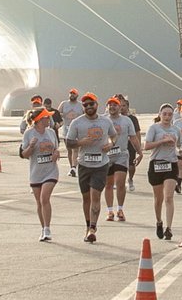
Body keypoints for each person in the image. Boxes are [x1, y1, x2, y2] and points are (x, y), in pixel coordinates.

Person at [63, 93, 116, 242]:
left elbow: (114, 135)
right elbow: (69, 143)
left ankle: (93, 228)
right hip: (84, 165)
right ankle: (88, 226)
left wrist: (111, 144)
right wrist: (81, 142)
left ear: (96, 105)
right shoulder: (77, 123)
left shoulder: (105, 121)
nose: (88, 107)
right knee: (86, 198)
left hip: (101, 164)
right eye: (85, 105)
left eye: (90, 104)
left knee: (95, 195)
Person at [20, 106, 59, 241]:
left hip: (51, 171)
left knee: (44, 198)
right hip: (36, 172)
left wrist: (56, 153)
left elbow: (56, 149)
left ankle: (47, 229)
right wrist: (31, 146)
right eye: (47, 117)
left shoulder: (51, 133)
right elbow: (24, 155)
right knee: (39, 202)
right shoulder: (29, 134)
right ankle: (43, 229)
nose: (49, 119)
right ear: (39, 119)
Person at [144, 103, 181, 240]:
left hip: (171, 164)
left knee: (169, 197)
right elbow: (146, 146)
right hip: (156, 164)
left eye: (170, 114)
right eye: (164, 114)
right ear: (160, 115)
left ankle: (169, 228)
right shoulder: (154, 128)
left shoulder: (176, 130)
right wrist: (161, 141)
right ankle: (159, 222)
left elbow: (178, 147)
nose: (167, 117)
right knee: (158, 199)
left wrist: (180, 153)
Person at [104, 96, 142, 222]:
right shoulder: (103, 120)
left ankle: (120, 209)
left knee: (120, 183)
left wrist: (139, 152)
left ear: (120, 107)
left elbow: (133, 137)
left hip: (121, 155)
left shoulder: (126, 121)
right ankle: (110, 211)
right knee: (108, 184)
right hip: (107, 157)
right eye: (110, 105)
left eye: (115, 105)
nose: (112, 107)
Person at [57, 90, 84, 175]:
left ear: (77, 95)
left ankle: (74, 167)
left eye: (74, 93)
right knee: (69, 151)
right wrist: (61, 116)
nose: (72, 95)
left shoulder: (80, 105)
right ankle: (72, 167)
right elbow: (57, 114)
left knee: (75, 149)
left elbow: (86, 114)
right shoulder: (64, 104)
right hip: (66, 130)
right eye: (71, 93)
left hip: (78, 130)